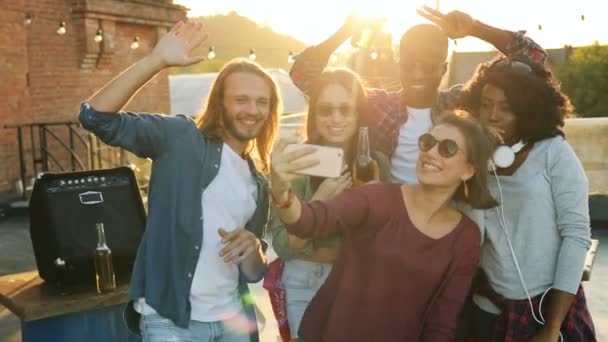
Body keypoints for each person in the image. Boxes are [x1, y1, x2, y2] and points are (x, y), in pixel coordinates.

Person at [78, 20, 279, 342]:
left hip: (234, 322)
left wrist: (254, 248)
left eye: (262, 102)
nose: (252, 110)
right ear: (221, 103)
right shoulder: (181, 137)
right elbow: (95, 117)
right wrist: (155, 61)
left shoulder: (259, 182)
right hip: (170, 322)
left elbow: (254, 271)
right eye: (241, 99)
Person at [269, 111, 497, 341]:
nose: (430, 153)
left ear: (468, 170)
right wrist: (281, 193)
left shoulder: (465, 237)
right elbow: (310, 221)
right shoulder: (378, 198)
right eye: (427, 143)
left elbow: (443, 321)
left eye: (447, 148)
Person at [290, 6, 547, 184]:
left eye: (426, 66)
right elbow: (302, 76)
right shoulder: (375, 105)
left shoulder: (461, 104)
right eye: (408, 64)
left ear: (443, 69)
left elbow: (534, 62)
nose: (416, 73)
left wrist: (476, 29)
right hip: (384, 222)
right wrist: (346, 31)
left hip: (445, 223)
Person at [458, 56, 597, 341]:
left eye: (506, 108)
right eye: (485, 104)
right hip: (490, 308)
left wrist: (552, 327)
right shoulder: (471, 161)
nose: (492, 115)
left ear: (528, 111)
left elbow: (576, 235)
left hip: (550, 308)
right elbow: (472, 238)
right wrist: (477, 164)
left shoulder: (553, 153)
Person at [267, 68, 391, 341]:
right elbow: (284, 247)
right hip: (306, 280)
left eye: (346, 110)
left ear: (359, 114)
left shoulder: (375, 164)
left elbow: (386, 240)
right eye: (326, 110)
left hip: (359, 280)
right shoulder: (297, 161)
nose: (336, 119)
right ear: (314, 115)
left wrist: (375, 201)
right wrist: (317, 206)